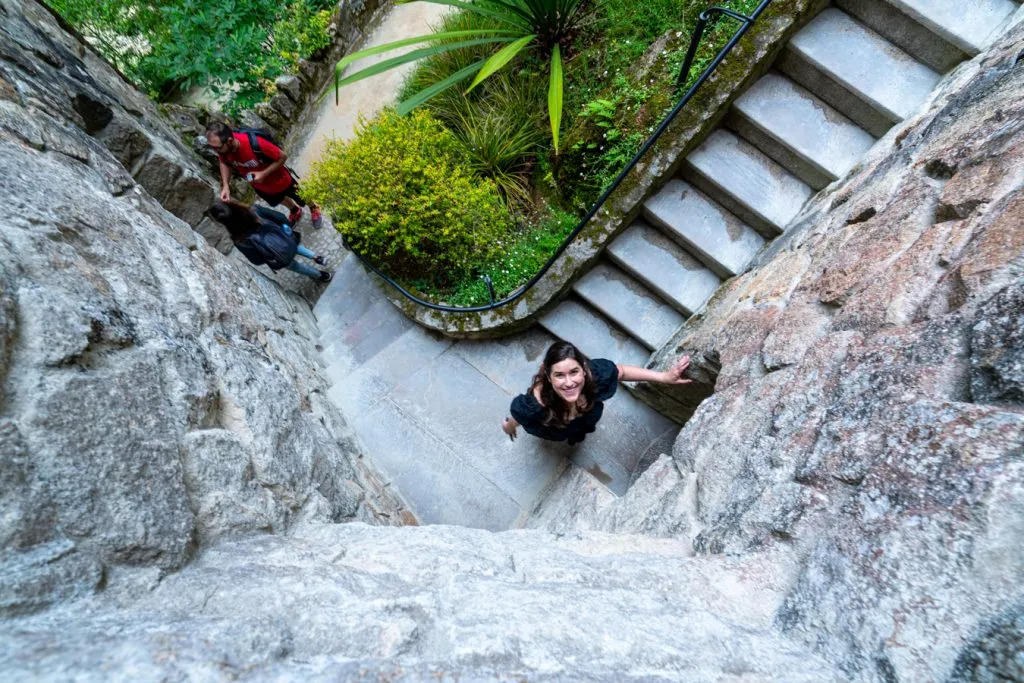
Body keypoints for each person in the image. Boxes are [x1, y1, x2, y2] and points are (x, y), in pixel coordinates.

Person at [501, 341, 692, 445]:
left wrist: (665, 377)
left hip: (586, 418)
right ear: (548, 377)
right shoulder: (533, 406)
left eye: (574, 372)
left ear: (584, 369)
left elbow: (622, 371)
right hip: (555, 428)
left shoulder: (596, 376)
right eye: (559, 375)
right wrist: (509, 427)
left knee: (582, 430)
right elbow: (516, 418)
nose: (569, 383)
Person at [205, 121, 324, 230]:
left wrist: (263, 174)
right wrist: (226, 185)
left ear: (230, 141)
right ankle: (295, 210)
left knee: (300, 196)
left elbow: (282, 157)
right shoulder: (225, 151)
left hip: (281, 180)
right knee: (279, 199)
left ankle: (313, 208)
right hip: (260, 186)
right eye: (212, 147)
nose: (215, 150)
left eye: (217, 148)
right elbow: (224, 162)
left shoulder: (256, 144)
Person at [206, 200, 332, 282]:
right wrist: (285, 228)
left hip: (279, 257)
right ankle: (317, 257)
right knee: (297, 247)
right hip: (286, 240)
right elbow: (280, 217)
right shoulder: (254, 211)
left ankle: (321, 275)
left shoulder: (238, 239)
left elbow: (256, 261)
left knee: (296, 266)